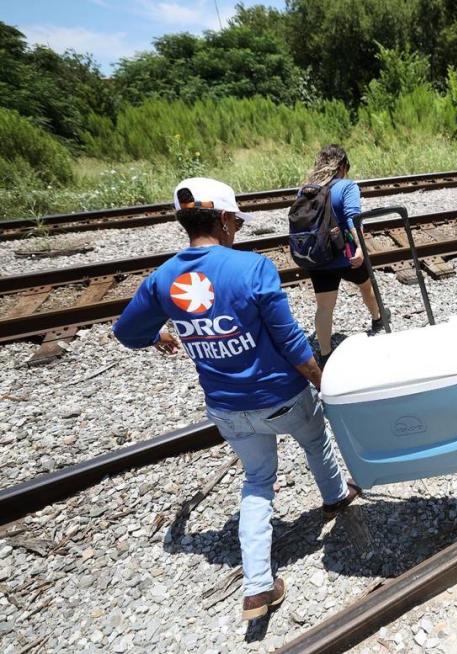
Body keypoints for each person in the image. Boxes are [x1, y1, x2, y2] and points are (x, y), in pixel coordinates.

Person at [112, 177, 361, 620]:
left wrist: (160, 334)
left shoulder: (163, 279)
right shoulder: (253, 268)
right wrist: (323, 380)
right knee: (315, 440)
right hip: (281, 396)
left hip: (226, 407)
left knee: (258, 479)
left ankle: (258, 587)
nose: (238, 230)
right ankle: (336, 497)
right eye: (237, 222)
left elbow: (127, 332)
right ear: (225, 220)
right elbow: (290, 342)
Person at [302, 145, 388, 365]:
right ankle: (378, 319)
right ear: (342, 166)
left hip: (318, 256)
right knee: (366, 286)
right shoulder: (347, 186)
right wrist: (359, 247)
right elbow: (353, 219)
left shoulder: (304, 189)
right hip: (346, 254)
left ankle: (325, 354)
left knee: (324, 307)